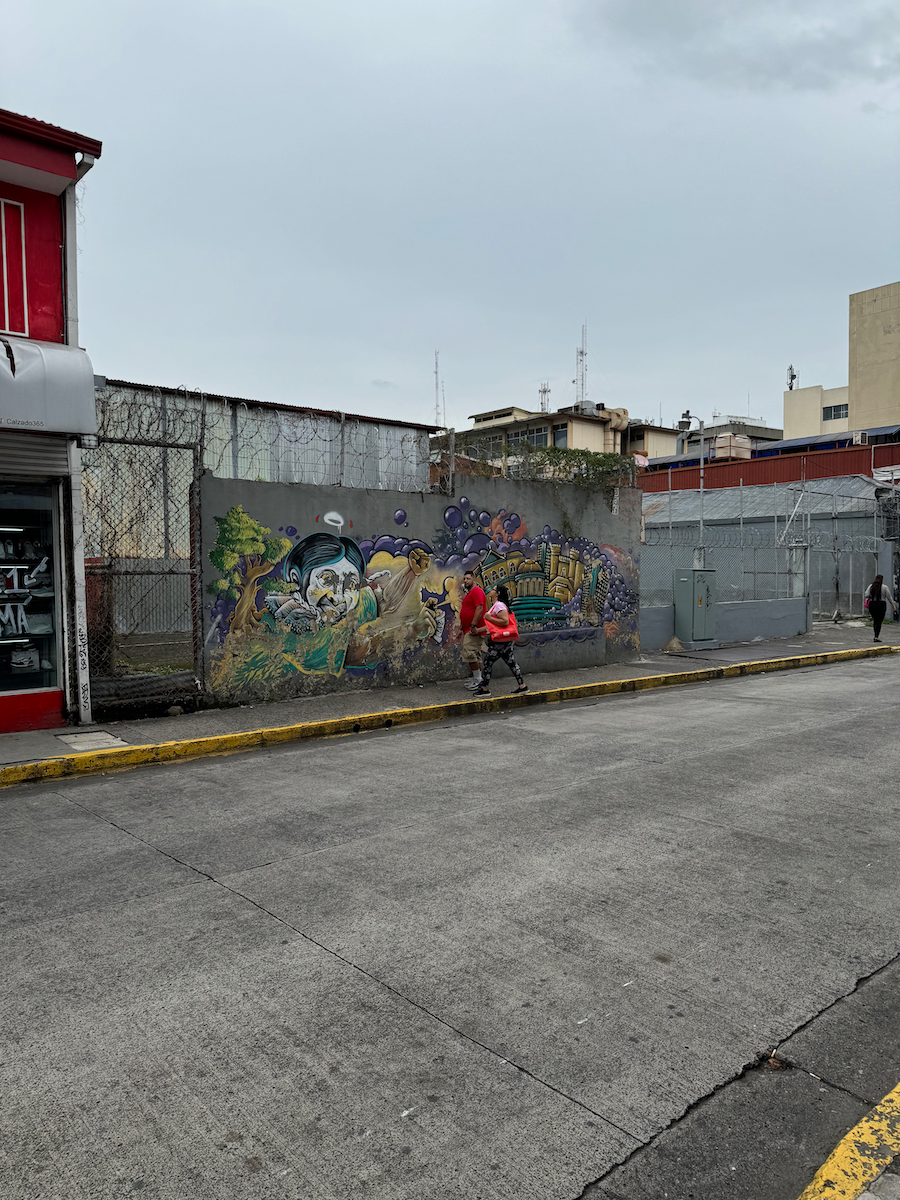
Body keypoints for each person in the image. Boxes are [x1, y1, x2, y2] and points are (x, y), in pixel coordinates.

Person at [471, 583, 527, 697]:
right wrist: (479, 630)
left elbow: (505, 621)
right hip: (504, 641)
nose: (491, 591)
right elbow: (493, 626)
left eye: (493, 589)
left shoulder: (499, 605)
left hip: (499, 642)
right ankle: (522, 686)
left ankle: (484, 688)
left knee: (487, 663)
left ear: (498, 593)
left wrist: (490, 617)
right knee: (511, 663)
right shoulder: (498, 605)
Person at [458, 569, 487, 690]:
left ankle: (478, 680)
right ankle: (478, 678)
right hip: (469, 629)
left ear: (474, 579)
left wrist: (473, 626)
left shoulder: (476, 591)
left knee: (469, 653)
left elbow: (479, 608)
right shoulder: (470, 593)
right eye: (464, 579)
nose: (465, 581)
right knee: (475, 654)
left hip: (473, 630)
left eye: (468, 579)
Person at [864, 574, 898, 643]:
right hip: (881, 604)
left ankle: (875, 634)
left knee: (875, 620)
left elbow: (866, 594)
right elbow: (889, 597)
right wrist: (893, 605)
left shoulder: (871, 586)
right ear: (882, 580)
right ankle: (876, 636)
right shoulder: (885, 587)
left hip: (872, 604)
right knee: (879, 621)